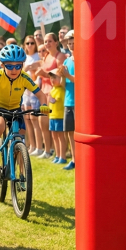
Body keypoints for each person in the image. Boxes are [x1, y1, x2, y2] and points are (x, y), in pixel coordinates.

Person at [0, 44, 49, 168]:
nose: (14, 70)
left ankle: (22, 172)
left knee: (20, 137)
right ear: (2, 65)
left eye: (18, 66)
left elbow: (41, 94)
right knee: (0, 126)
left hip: (16, 110)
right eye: (9, 66)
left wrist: (44, 105)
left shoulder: (24, 77)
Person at [57, 31, 77, 170]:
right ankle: (74, 159)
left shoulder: (80, 60)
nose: (71, 45)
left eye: (73, 43)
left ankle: (80, 159)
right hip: (68, 101)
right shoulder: (67, 61)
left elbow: (80, 79)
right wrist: (62, 75)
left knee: (77, 132)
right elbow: (63, 84)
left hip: (78, 102)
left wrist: (67, 75)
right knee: (69, 132)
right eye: (69, 43)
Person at [47, 68, 67, 164]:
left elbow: (55, 100)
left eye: (55, 77)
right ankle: (57, 155)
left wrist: (50, 98)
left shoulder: (61, 90)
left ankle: (62, 156)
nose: (52, 80)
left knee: (60, 137)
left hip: (60, 116)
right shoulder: (53, 90)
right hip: (52, 116)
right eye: (51, 78)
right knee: (54, 136)